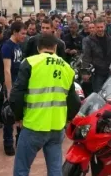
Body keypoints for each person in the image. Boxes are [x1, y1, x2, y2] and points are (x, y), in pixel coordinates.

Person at [10, 34, 81, 176]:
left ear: (38, 47)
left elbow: (16, 95)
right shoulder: (67, 68)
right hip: (57, 127)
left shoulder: (30, 63)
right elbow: (74, 101)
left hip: (33, 125)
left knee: (22, 169)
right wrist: (67, 119)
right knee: (55, 171)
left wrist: (18, 117)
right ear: (55, 47)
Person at [1, 21, 27, 156]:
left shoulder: (18, 46)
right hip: (12, 86)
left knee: (20, 114)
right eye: (22, 33)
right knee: (9, 115)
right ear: (15, 32)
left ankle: (20, 142)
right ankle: (8, 143)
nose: (24, 36)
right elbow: (7, 70)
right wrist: (9, 90)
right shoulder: (7, 47)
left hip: (19, 85)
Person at [81, 18, 111, 92]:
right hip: (97, 72)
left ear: (105, 27)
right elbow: (86, 57)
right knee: (98, 94)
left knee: (110, 93)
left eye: (101, 27)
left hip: (109, 71)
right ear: (95, 27)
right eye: (98, 27)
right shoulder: (88, 40)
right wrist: (85, 72)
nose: (100, 29)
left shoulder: (110, 39)